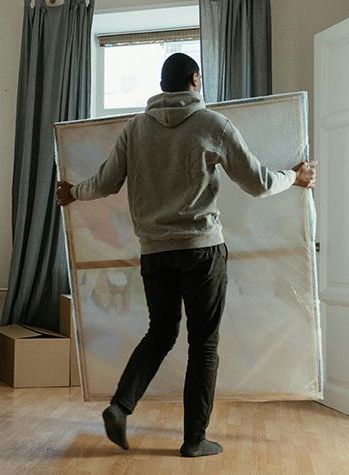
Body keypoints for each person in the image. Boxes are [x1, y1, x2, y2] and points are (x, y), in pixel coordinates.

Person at [55, 53, 316, 457]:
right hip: (201, 251)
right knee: (204, 345)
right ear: (195, 79)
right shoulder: (212, 124)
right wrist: (294, 177)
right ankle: (194, 440)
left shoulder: (135, 130)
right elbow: (259, 184)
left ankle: (120, 406)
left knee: (160, 331)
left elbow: (105, 183)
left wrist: (72, 192)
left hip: (154, 254)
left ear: (162, 86)